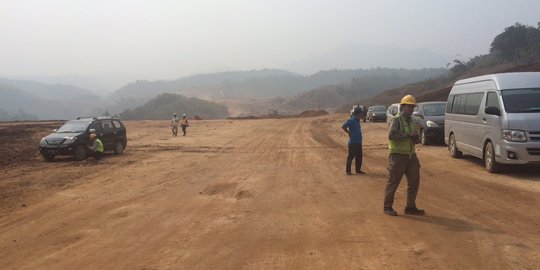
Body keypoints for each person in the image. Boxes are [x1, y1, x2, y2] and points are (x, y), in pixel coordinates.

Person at [383, 95, 425, 216]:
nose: (411, 109)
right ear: (403, 107)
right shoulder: (396, 120)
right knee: (393, 182)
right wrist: (407, 135)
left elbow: (415, 138)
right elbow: (391, 136)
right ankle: (387, 207)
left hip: (411, 156)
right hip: (397, 156)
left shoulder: (412, 120)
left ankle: (410, 207)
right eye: (408, 106)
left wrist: (415, 137)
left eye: (412, 107)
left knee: (414, 182)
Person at [342, 107, 365, 175]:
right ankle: (348, 171)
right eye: (361, 113)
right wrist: (349, 133)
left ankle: (358, 170)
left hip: (358, 142)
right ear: (358, 114)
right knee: (351, 157)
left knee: (359, 157)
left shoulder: (358, 121)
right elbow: (343, 126)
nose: (362, 115)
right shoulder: (351, 120)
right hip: (353, 142)